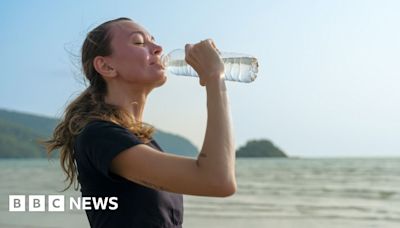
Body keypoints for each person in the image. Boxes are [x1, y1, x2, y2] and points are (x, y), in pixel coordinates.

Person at [43, 17, 236, 228]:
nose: (158, 48)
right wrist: (214, 78)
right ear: (106, 66)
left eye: (153, 40)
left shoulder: (139, 141)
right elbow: (217, 180)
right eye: (138, 42)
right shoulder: (99, 135)